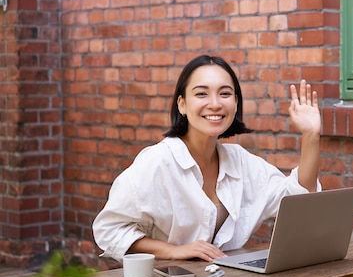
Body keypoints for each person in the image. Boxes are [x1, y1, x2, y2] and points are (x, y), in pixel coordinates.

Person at [92, 54, 321, 264]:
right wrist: (174, 250)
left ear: (236, 103)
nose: (215, 103)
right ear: (182, 104)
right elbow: (110, 230)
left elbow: (297, 200)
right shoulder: (157, 162)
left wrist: (310, 135)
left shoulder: (240, 161)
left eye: (225, 93)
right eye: (201, 93)